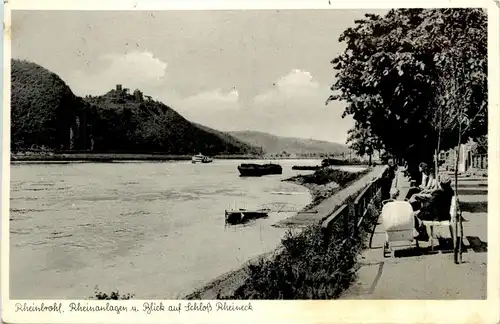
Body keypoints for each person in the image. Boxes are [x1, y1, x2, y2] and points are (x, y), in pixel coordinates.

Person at [413, 174, 455, 240]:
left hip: (436, 217)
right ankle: (423, 229)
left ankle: (423, 234)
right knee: (423, 213)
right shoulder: (451, 191)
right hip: (446, 215)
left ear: (441, 183)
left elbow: (428, 204)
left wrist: (420, 209)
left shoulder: (438, 193)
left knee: (415, 215)